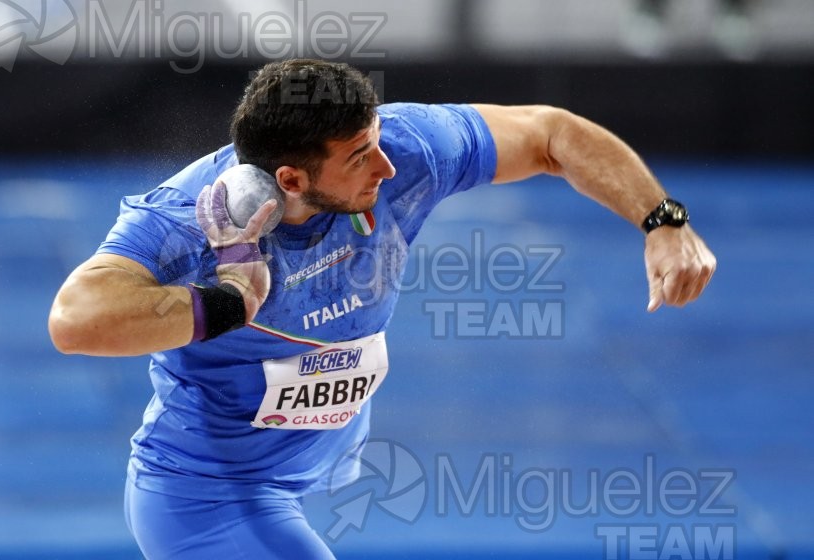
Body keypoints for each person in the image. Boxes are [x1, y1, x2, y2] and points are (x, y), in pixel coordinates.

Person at [48, 58, 716, 559]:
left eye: (376, 140)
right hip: (205, 496)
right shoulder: (191, 221)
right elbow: (76, 319)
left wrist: (662, 220)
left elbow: (550, 133)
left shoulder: (405, 148)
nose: (387, 168)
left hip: (301, 474)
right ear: (291, 180)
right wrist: (222, 304)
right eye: (361, 155)